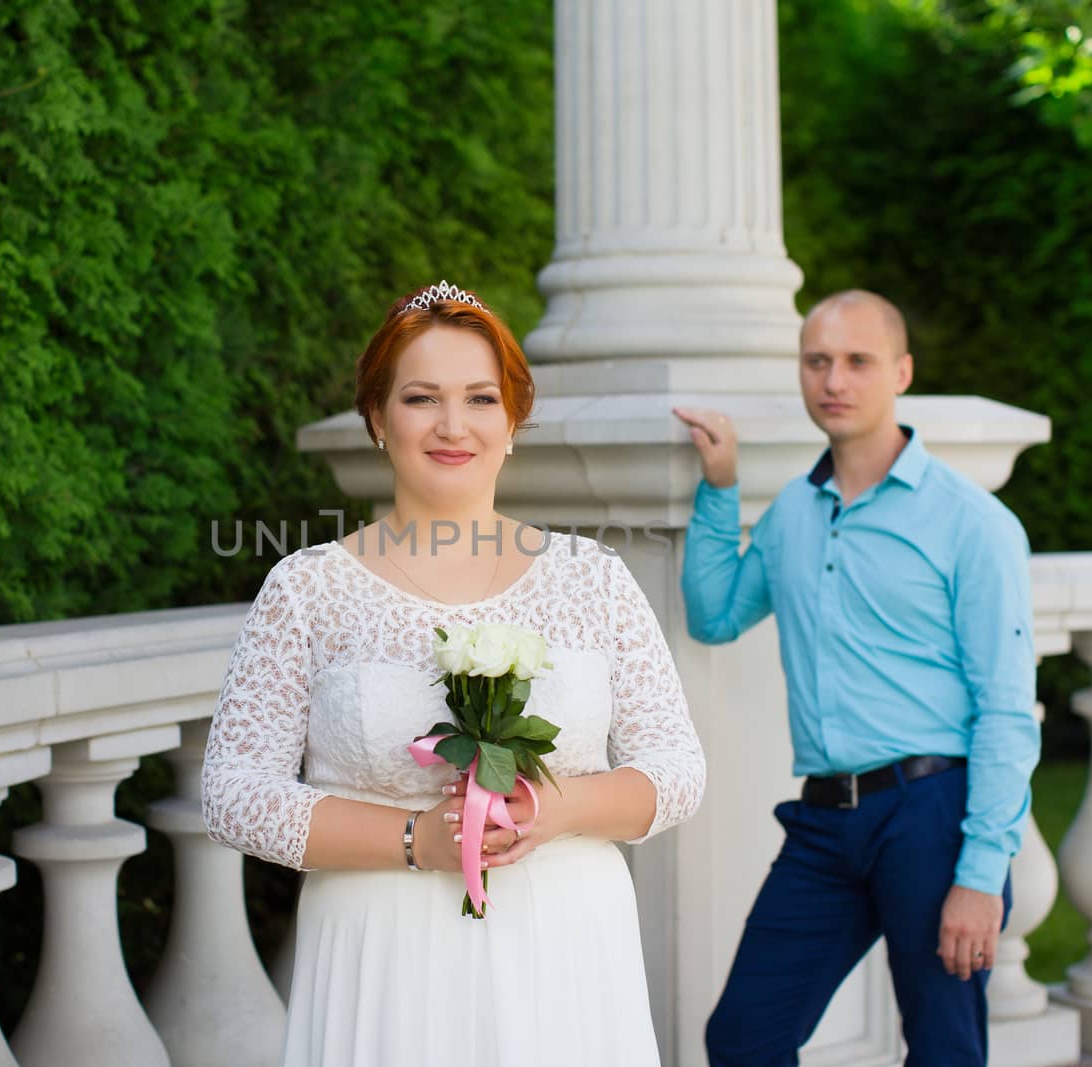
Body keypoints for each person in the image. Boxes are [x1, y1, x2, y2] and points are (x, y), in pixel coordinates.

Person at [202, 281, 706, 1067]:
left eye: (479, 397)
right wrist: (413, 840)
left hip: (567, 949)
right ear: (377, 417)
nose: (452, 425)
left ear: (512, 421)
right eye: (420, 397)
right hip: (381, 948)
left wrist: (557, 806)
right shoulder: (307, 588)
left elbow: (677, 768)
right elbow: (234, 792)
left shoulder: (593, 578)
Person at [673, 290, 1038, 1066]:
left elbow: (1008, 710)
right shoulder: (794, 514)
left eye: (857, 361)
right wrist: (721, 486)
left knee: (943, 1049)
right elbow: (714, 616)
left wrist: (981, 873)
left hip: (932, 815)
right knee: (743, 1037)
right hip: (823, 821)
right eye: (817, 361)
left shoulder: (973, 525)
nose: (833, 379)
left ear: (901, 371)